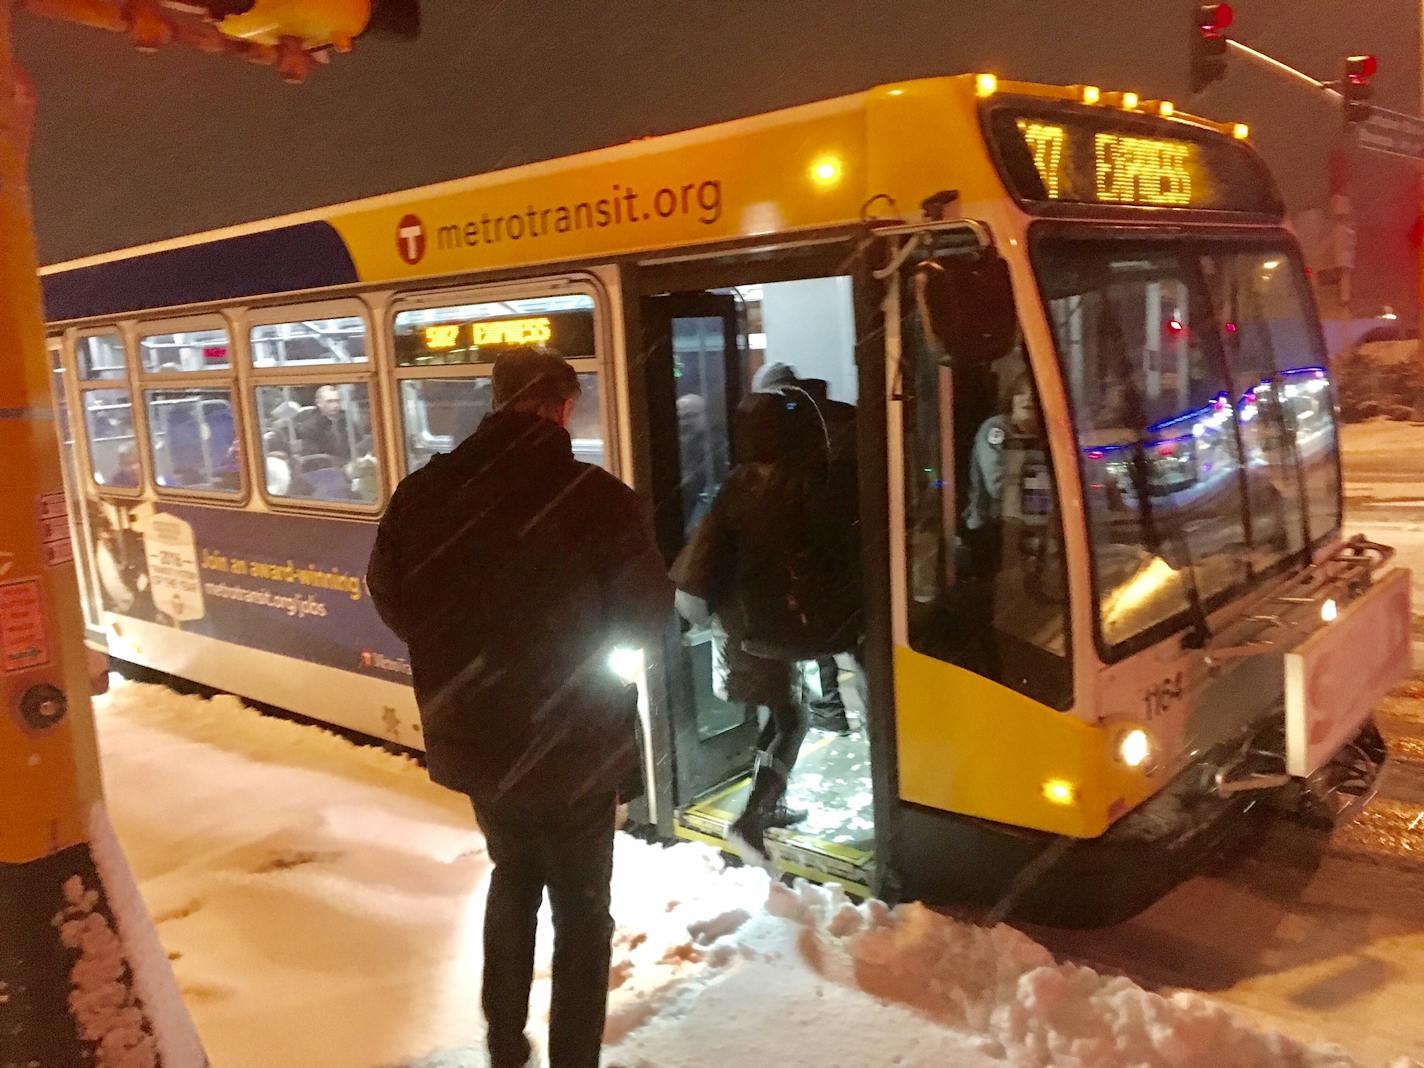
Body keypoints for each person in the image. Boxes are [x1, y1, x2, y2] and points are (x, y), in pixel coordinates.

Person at [367, 350, 671, 1068]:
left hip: (478, 736)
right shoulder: (598, 498)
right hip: (577, 743)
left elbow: (390, 596)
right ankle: (574, 1059)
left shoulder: (424, 493)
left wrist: (463, 659)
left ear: (498, 402)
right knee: (582, 913)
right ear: (562, 408)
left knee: (513, 881)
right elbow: (644, 618)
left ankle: (505, 1046)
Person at [673, 382, 858, 864]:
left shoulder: (739, 483)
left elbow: (705, 559)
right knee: (792, 719)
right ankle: (751, 820)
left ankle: (766, 806)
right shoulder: (807, 481)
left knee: (781, 712)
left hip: (744, 627)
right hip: (785, 627)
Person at [294, 384, 355, 461]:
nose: (335, 405)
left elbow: (357, 443)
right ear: (319, 403)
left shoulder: (347, 419)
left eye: (337, 401)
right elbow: (315, 456)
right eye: (330, 401)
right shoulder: (309, 427)